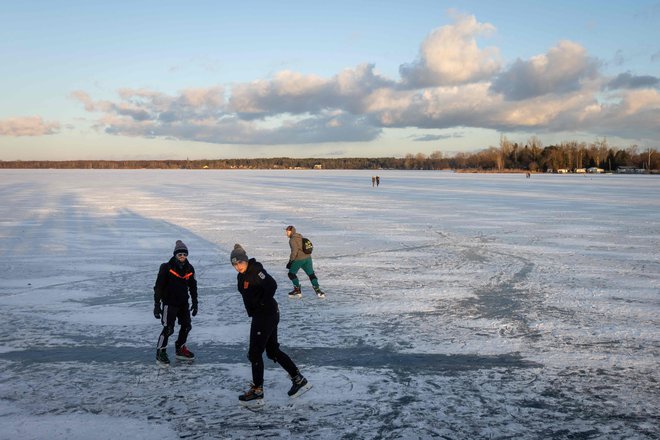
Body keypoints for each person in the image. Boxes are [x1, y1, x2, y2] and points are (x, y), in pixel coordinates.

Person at [230, 244, 310, 405]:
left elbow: (272, 285)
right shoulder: (242, 275)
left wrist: (261, 304)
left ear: (245, 261)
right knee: (272, 351)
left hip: (266, 315)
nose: (238, 266)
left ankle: (257, 391)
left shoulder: (255, 271)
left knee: (255, 353)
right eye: (234, 264)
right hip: (266, 314)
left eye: (240, 263)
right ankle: (298, 379)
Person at [153, 240, 198, 365]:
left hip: (183, 303)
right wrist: (157, 305)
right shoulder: (166, 268)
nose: (182, 257)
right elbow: (158, 287)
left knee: (187, 326)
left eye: (184, 254)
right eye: (180, 255)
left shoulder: (190, 268)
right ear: (175, 255)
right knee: (168, 329)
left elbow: (193, 287)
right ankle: (160, 352)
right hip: (169, 303)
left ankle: (180, 349)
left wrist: (195, 302)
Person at [285, 225, 325, 298]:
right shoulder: (300, 236)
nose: (286, 233)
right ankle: (318, 291)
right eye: (286, 231)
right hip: (308, 258)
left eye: (288, 231)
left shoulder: (292, 240)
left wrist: (290, 262)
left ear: (292, 231)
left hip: (299, 259)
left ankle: (297, 290)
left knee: (291, 274)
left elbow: (294, 251)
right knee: (311, 274)